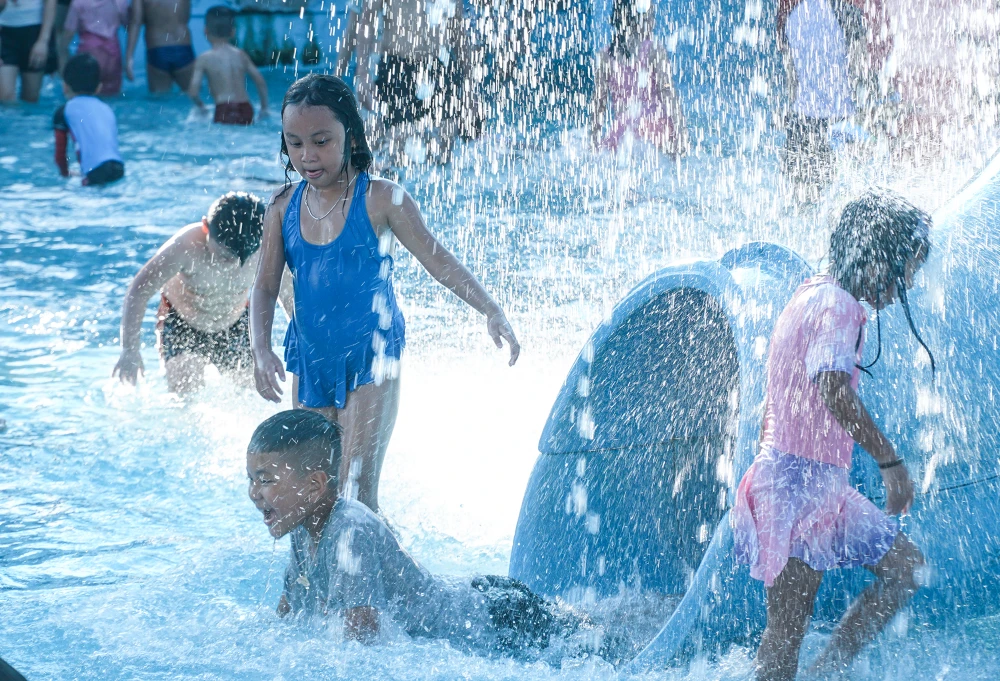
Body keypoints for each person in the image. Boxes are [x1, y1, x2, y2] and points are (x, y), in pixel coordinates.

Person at [250, 74, 519, 513]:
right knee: (314, 497)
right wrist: (261, 350)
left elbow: (439, 259)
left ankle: (390, 582)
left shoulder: (381, 200)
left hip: (371, 358)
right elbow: (264, 287)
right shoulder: (282, 207)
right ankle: (312, 583)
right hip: (312, 361)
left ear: (351, 135)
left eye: (321, 141)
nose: (307, 156)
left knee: (356, 492)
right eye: (295, 143)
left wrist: (490, 309)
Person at [732, 189, 933, 681]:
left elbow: (775, 395)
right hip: (798, 490)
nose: (910, 281)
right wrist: (890, 463)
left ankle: (829, 672)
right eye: (907, 267)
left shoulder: (810, 292)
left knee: (905, 568)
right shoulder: (839, 306)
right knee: (781, 642)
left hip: (814, 486)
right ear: (877, 258)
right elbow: (830, 388)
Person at [247, 409, 590, 658]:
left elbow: (360, 645)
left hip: (498, 618)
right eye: (251, 479)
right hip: (478, 604)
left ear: (314, 486)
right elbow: (289, 610)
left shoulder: (349, 532)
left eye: (265, 480)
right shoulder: (301, 527)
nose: (253, 492)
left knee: (597, 642)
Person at [113, 192, 269, 394]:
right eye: (224, 255)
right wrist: (130, 350)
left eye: (243, 258)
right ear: (205, 227)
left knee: (253, 394)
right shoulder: (185, 247)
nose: (233, 264)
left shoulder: (266, 249)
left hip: (235, 323)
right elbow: (138, 292)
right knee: (185, 398)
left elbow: (290, 299)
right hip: (182, 324)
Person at [776, 0, 891, 196]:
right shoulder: (847, 13)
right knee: (843, 198)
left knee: (803, 200)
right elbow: (859, 73)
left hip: (802, 122)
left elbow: (791, 77)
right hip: (840, 124)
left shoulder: (790, 13)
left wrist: (787, 114)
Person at [353, 0, 478, 162]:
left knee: (443, 145)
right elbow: (367, 22)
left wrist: (470, 86)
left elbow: (458, 31)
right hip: (398, 69)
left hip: (438, 66)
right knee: (396, 145)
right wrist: (362, 74)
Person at [590, 0, 688, 158]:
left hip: (623, 133)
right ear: (638, 20)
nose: (653, 19)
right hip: (656, 130)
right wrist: (681, 131)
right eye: (650, 15)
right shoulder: (654, 50)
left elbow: (598, 104)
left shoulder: (605, 57)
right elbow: (668, 93)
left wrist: (593, 140)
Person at [187, 6, 268, 126]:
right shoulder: (241, 55)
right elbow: (260, 81)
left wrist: (201, 107)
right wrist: (264, 108)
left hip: (224, 110)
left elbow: (193, 91)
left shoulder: (204, 58)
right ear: (233, 32)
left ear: (205, 31)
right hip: (246, 108)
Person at [54, 53, 125, 185]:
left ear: (65, 86)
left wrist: (65, 173)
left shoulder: (64, 111)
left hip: (95, 172)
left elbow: (60, 155)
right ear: (99, 87)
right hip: (118, 168)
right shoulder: (106, 108)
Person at [58, 0, 129, 97]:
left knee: (84, 95)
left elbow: (69, 31)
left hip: (89, 52)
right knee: (112, 96)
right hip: (112, 54)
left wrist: (61, 50)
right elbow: (127, 23)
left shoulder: (78, 2)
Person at [125, 0, 194, 93]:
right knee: (192, 97)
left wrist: (129, 58)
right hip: (183, 47)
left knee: (160, 101)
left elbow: (136, 22)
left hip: (157, 50)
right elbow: (186, 16)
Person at [0, 0, 58, 103]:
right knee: (6, 96)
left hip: (34, 31)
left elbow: (51, 3)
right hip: (4, 32)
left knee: (31, 98)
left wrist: (43, 41)